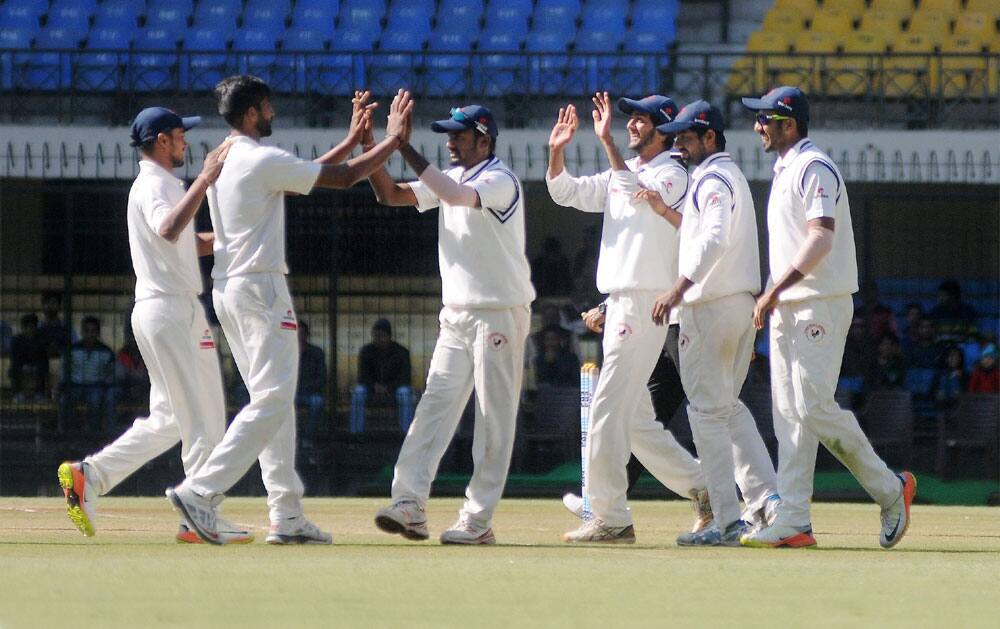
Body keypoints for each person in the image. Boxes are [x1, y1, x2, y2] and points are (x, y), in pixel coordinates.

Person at [167, 79, 412, 545]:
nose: (274, 111)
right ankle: (201, 491)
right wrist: (394, 141)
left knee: (274, 403)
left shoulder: (229, 155)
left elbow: (302, 178)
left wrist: (349, 139)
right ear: (254, 111)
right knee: (274, 400)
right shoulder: (260, 158)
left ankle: (287, 515)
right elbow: (338, 179)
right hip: (260, 291)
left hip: (230, 289)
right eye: (269, 106)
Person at [56, 107, 252, 544]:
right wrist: (206, 178)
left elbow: (181, 240)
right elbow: (168, 228)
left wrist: (232, 240)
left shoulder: (158, 184)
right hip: (172, 312)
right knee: (205, 418)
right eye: (181, 135)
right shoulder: (155, 184)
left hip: (161, 309)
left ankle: (91, 475)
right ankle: (198, 514)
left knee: (168, 419)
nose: (186, 142)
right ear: (162, 140)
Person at [741, 86, 915, 549]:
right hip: (787, 305)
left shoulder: (813, 166)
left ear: (789, 124)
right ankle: (795, 518)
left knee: (813, 405)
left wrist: (773, 290)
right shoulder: (785, 169)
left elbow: (821, 237)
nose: (757, 126)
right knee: (788, 413)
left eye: (765, 119)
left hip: (818, 301)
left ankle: (890, 488)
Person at [546, 93, 718, 544]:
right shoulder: (631, 173)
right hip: (623, 302)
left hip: (646, 304)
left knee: (606, 408)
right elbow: (568, 193)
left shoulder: (674, 174)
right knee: (638, 424)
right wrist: (556, 151)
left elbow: (640, 200)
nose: (631, 126)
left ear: (663, 129)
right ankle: (708, 489)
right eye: (630, 120)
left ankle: (610, 516)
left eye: (641, 120)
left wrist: (606, 145)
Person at [365, 103, 534, 545]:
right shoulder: (449, 177)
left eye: (459, 136)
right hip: (456, 316)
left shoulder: (499, 180)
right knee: (433, 408)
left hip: (499, 312)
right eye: (447, 136)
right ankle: (409, 505)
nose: (450, 143)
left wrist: (405, 147)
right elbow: (390, 195)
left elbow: (458, 197)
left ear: (485, 140)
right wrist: (373, 145)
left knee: (491, 421)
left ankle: (478, 521)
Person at [650, 100, 779, 546]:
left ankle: (726, 522)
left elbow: (714, 236)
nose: (680, 147)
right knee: (726, 408)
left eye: (687, 138)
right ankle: (767, 502)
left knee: (706, 414)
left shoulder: (710, 178)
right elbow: (701, 229)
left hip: (709, 307)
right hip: (739, 304)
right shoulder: (731, 176)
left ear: (711, 138)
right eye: (678, 139)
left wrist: (678, 289)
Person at [349, 318, 413, 434]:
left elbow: (405, 378)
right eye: (376, 336)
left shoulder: (401, 352)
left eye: (382, 336)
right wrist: (374, 386)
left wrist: (388, 387)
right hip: (371, 390)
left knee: (405, 393)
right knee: (358, 392)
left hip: (394, 390)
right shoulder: (366, 351)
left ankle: (406, 434)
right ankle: (356, 434)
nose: (379, 340)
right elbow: (362, 376)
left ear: (389, 336)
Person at [64, 316, 118, 433]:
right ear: (82, 332)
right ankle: (69, 434)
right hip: (75, 386)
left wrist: (104, 384)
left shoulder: (106, 351)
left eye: (93, 331)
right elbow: (65, 370)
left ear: (98, 333)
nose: (90, 335)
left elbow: (110, 373)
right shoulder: (72, 350)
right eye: (87, 331)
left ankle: (94, 435)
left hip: (96, 387)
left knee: (95, 401)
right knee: (66, 400)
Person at [296, 321, 328, 449]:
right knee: (283, 404)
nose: (299, 337)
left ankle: (308, 438)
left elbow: (322, 378)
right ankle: (292, 438)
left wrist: (307, 386)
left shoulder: (316, 353)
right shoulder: (286, 354)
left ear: (307, 335)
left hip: (311, 392)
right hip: (291, 393)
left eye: (302, 334)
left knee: (317, 402)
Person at [10, 313, 49, 402]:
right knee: (14, 370)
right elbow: (15, 360)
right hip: (21, 370)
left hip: (37, 370)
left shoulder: (41, 340)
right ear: (22, 328)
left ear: (35, 328)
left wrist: (34, 368)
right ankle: (19, 393)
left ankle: (39, 394)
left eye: (32, 327)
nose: (29, 330)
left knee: (40, 371)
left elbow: (44, 361)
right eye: (26, 327)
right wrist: (24, 367)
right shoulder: (16, 341)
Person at [38, 291, 75, 358]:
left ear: (59, 306)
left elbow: (74, 348)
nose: (50, 306)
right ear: (42, 305)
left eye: (53, 303)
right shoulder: (37, 327)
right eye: (47, 303)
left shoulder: (67, 328)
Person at [932, 346, 967, 410]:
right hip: (941, 404)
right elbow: (932, 391)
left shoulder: (965, 375)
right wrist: (937, 394)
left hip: (960, 405)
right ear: (946, 359)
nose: (953, 358)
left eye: (956, 356)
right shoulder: (938, 374)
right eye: (951, 356)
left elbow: (968, 392)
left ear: (960, 359)